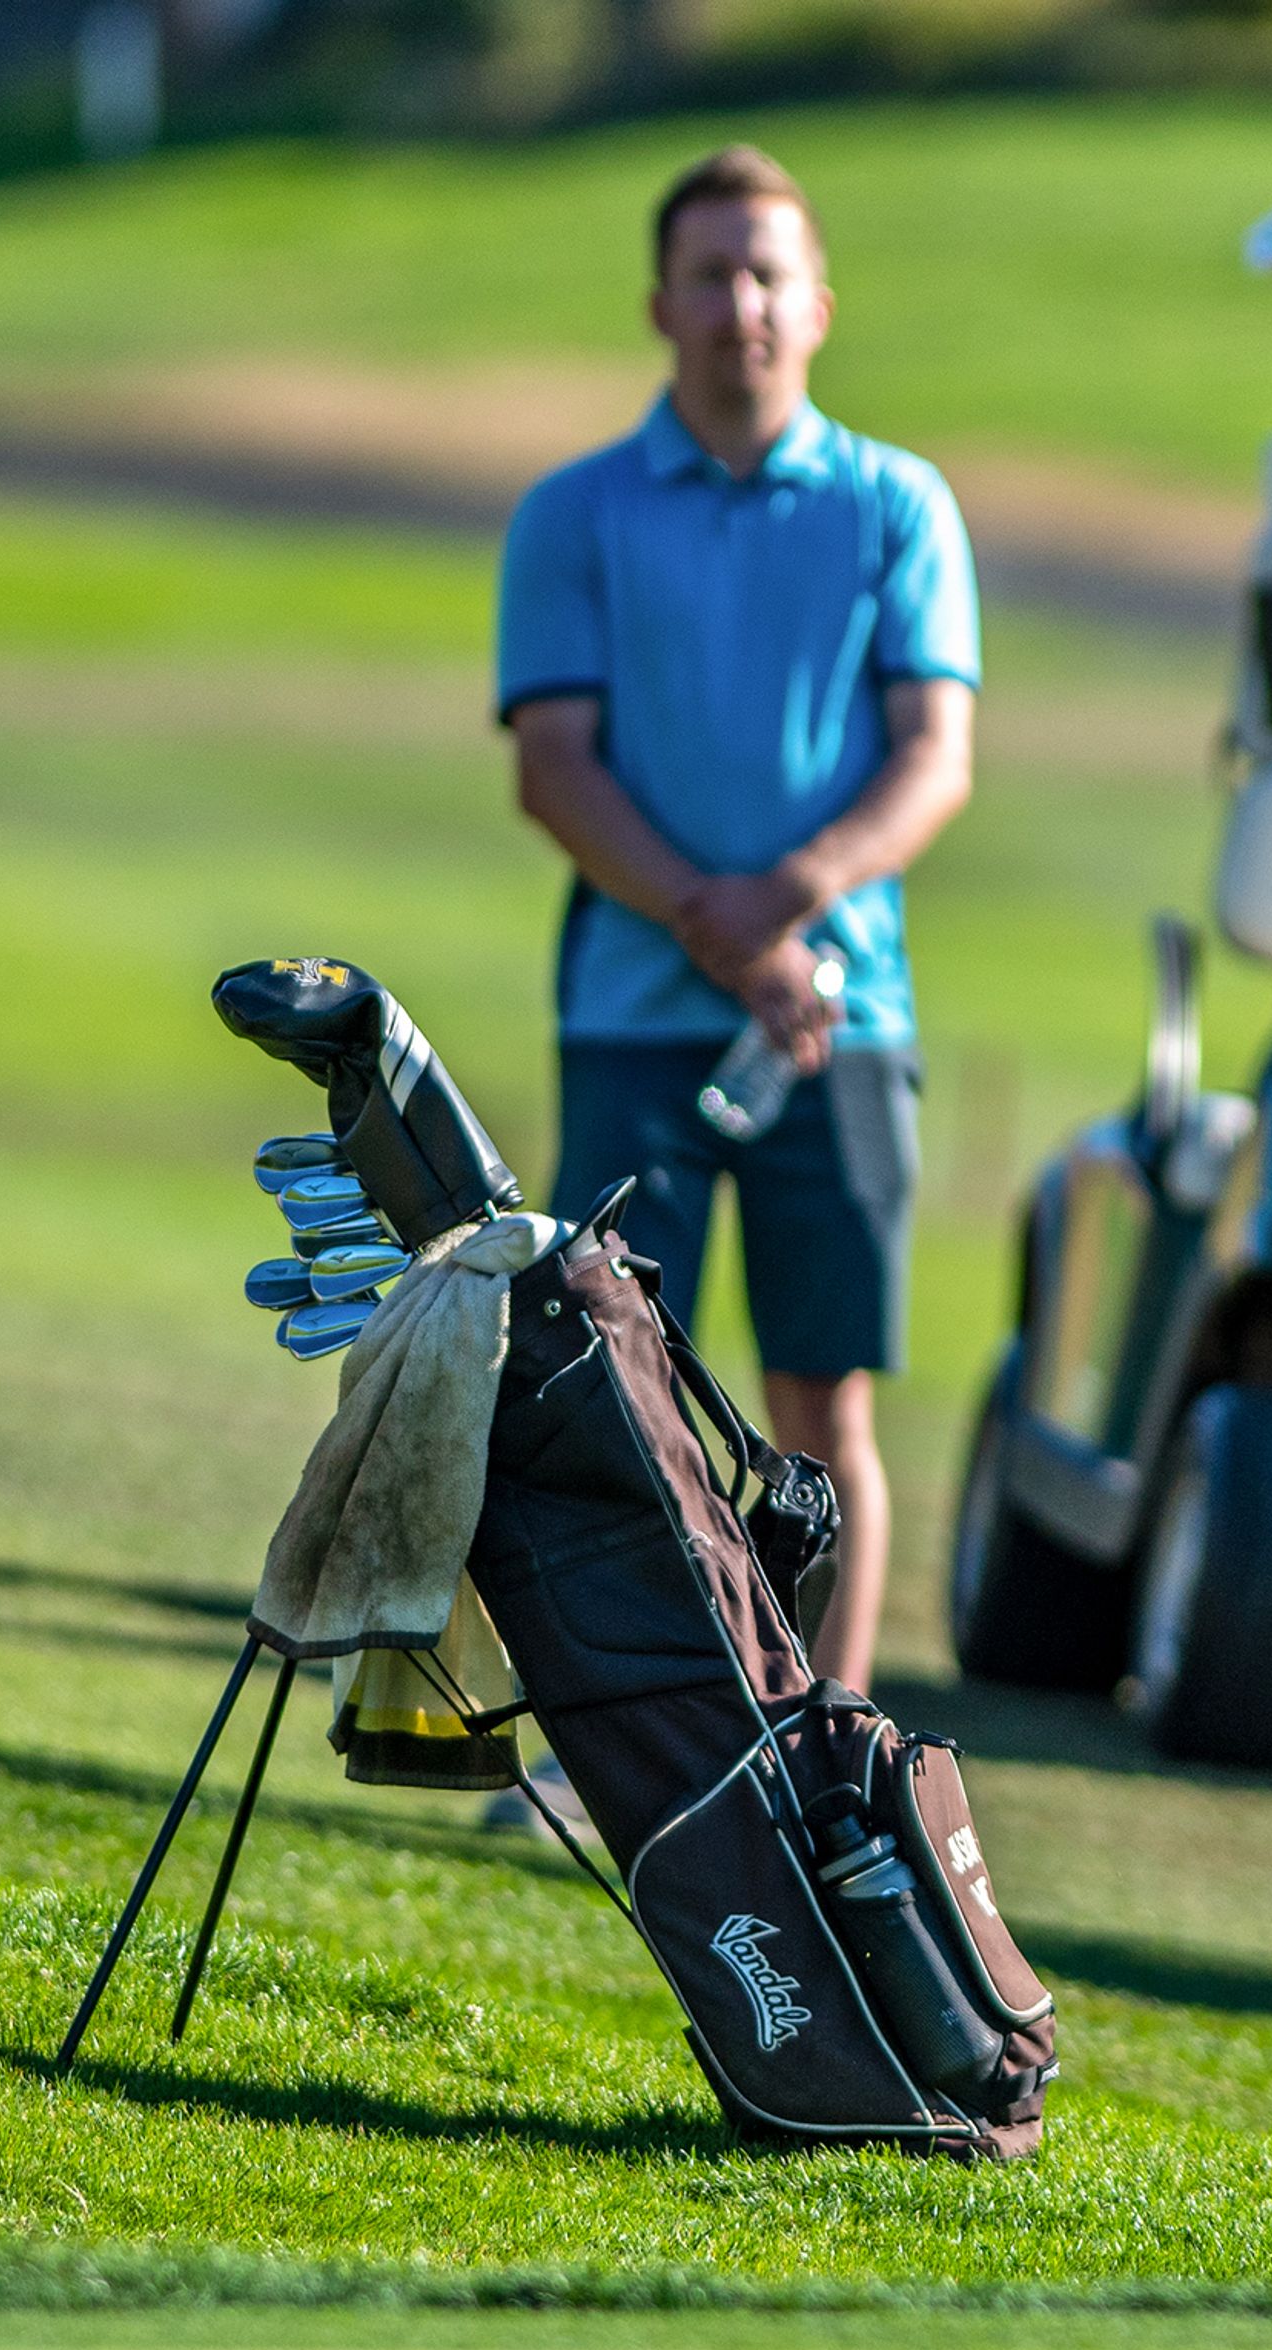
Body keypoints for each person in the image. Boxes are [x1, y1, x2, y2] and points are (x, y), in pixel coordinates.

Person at [495, 145, 976, 1699]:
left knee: (822, 1405)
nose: (739, 306)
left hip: (845, 1018)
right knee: (612, 1399)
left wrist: (787, 900)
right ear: (661, 302)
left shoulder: (897, 504)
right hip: (636, 1014)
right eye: (710, 274)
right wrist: (721, 928)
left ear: (819, 305)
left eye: (767, 274)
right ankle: (618, 1729)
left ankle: (827, 1738)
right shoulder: (576, 512)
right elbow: (555, 769)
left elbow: (933, 757)